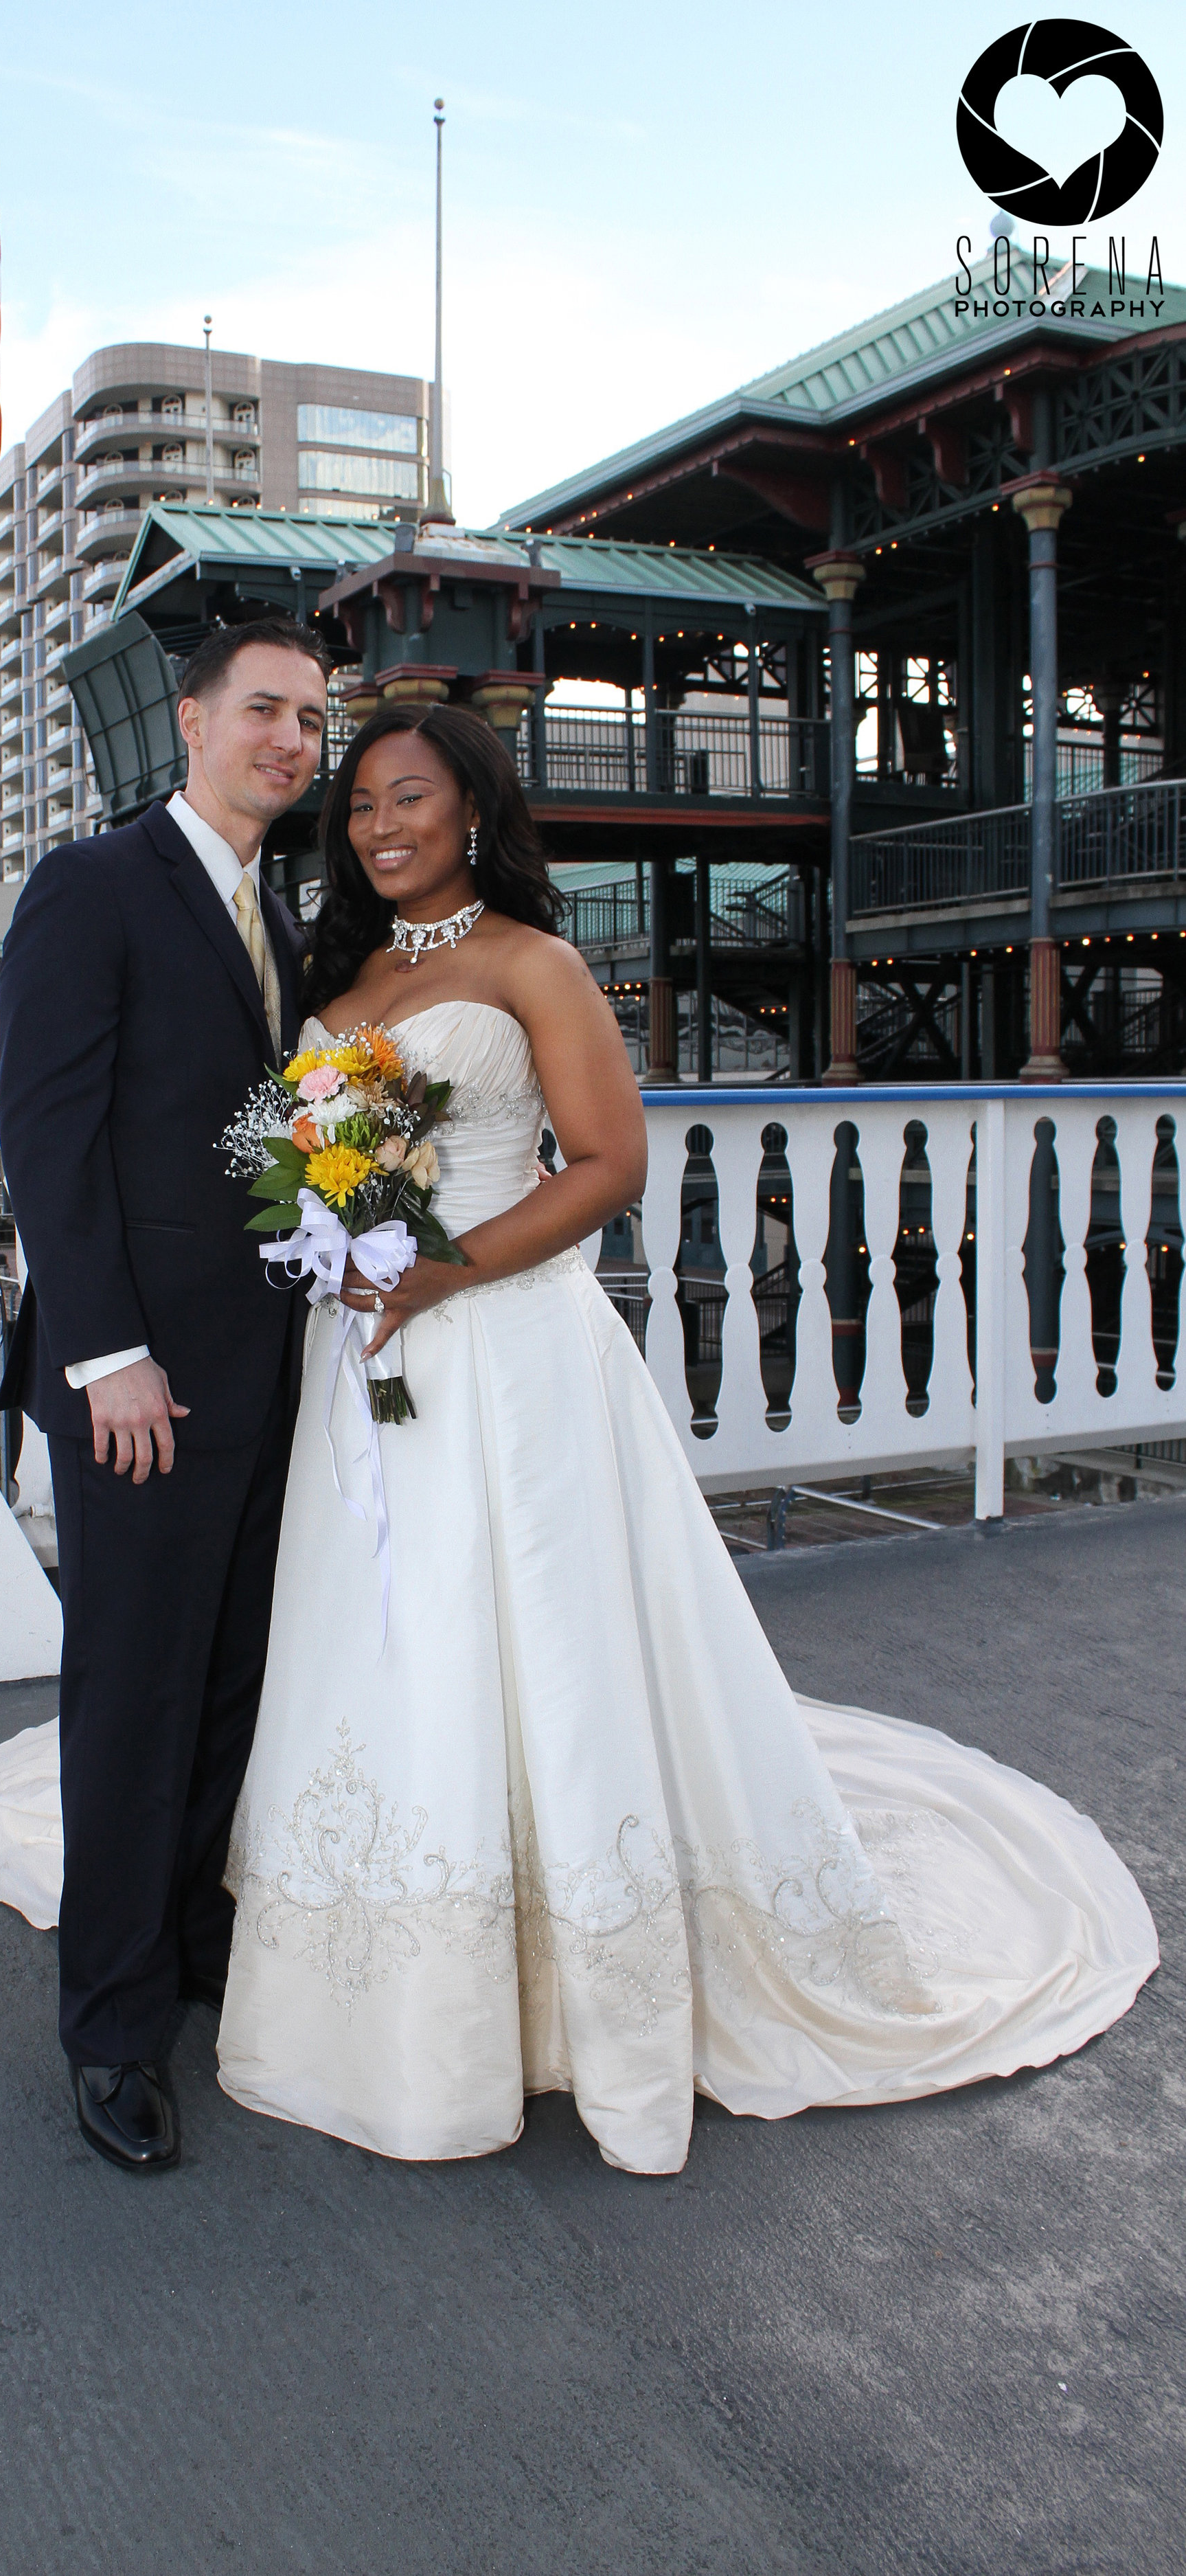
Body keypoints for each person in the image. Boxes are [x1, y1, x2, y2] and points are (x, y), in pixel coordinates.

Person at [210, 701, 1157, 2172]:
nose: (378, 829)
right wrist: (336, 1241)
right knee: (395, 1636)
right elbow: (313, 1158)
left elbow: (606, 1166)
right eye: (359, 810)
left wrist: (438, 1268)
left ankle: (582, 1967)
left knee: (536, 1635)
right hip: (369, 1357)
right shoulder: (337, 979)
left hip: (508, 1352)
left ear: (472, 811)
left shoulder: (536, 963)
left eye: (407, 801)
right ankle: (401, 1974)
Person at [0, 617, 329, 2174]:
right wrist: (102, 1353)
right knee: (130, 1702)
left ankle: (191, 1940)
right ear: (190, 721)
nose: (290, 742)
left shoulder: (279, 912)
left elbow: (254, 1131)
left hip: (267, 1373)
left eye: (310, 720)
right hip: (142, 1381)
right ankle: (112, 2031)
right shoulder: (94, 886)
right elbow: (48, 1139)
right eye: (263, 710)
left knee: (227, 1682)